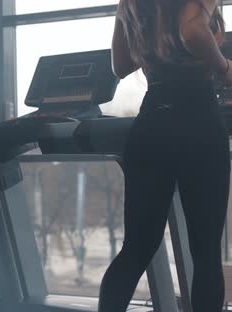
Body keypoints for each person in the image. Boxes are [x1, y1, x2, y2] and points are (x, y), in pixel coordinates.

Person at [99, 0, 232, 311]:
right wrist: (225, 69)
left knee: (136, 247)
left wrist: (155, 44)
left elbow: (120, 65)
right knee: (206, 252)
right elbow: (192, 31)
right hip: (197, 121)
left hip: (152, 123)